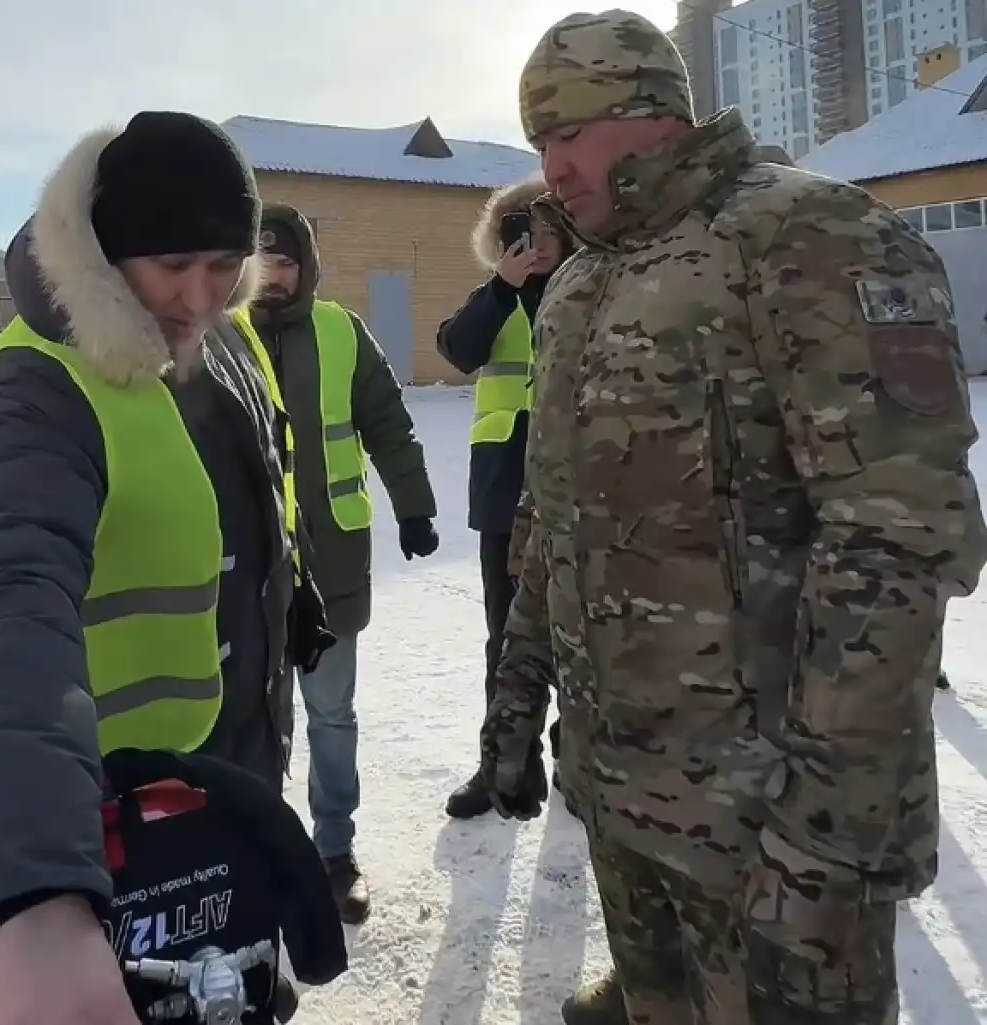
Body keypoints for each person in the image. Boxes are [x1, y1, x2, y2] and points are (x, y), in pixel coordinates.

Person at [480, 10, 987, 1025]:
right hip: (624, 797)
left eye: (566, 134)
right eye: (538, 142)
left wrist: (825, 833)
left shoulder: (805, 235)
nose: (552, 167)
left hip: (769, 829)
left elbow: (896, 536)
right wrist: (514, 708)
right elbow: (554, 520)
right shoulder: (578, 285)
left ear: (647, 114)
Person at [0, 112, 331, 1025]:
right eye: (173, 266)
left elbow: (257, 490)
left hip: (233, 775)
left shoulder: (224, 342)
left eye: (224, 264)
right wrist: (37, 895)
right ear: (108, 258)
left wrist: (290, 591)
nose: (201, 296)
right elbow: (8, 604)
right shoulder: (36, 386)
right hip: (110, 821)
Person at [238, 202, 439, 924]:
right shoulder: (219, 339)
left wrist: (413, 503)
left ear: (307, 266)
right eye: (261, 261)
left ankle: (334, 852)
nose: (272, 276)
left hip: (331, 562)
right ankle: (251, 852)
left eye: (285, 261)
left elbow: (387, 421)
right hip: (245, 571)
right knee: (249, 718)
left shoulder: (341, 333)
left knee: (330, 715)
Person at [435, 176, 572, 820]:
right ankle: (503, 768)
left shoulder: (594, 285)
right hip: (503, 490)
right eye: (523, 233)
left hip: (578, 488)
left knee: (583, 637)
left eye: (547, 230)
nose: (536, 245)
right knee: (507, 637)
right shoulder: (497, 297)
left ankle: (579, 764)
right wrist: (503, 287)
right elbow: (456, 351)